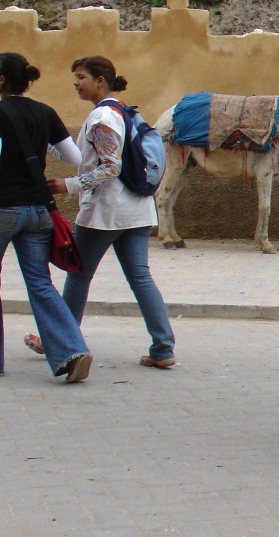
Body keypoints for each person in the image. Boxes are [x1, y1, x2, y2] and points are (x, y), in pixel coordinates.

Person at [27, 56, 175, 370]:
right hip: (137, 209)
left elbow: (110, 167)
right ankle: (163, 348)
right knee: (141, 278)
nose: (76, 83)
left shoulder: (103, 117)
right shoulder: (125, 112)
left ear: (100, 80)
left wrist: (67, 185)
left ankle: (61, 341)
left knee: (78, 275)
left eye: (81, 77)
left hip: (107, 212)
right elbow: (87, 157)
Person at [0, 53, 93, 382]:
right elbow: (75, 157)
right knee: (41, 284)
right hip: (39, 210)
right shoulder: (45, 112)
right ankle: (72, 349)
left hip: (3, 207)